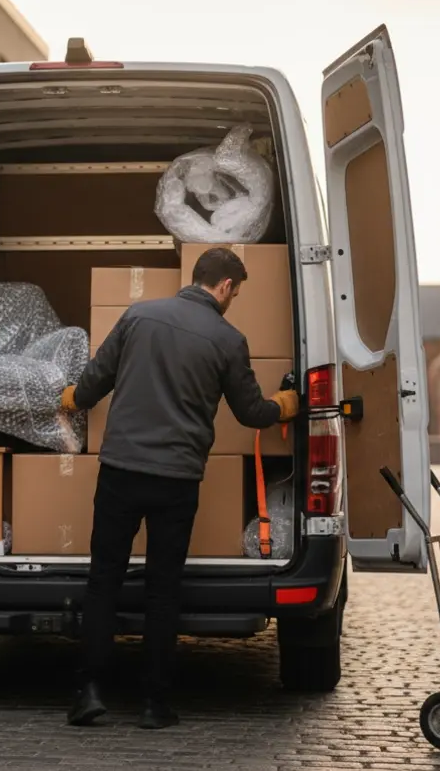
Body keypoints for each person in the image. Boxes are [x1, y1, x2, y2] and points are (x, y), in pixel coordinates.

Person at [58, 247, 298, 729]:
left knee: (104, 579)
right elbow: (251, 412)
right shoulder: (228, 339)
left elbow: (92, 385)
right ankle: (154, 704)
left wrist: (68, 399)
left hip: (121, 471)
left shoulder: (138, 315)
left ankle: (88, 692)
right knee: (163, 589)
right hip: (177, 480)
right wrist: (286, 404)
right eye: (237, 291)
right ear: (226, 286)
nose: (234, 299)